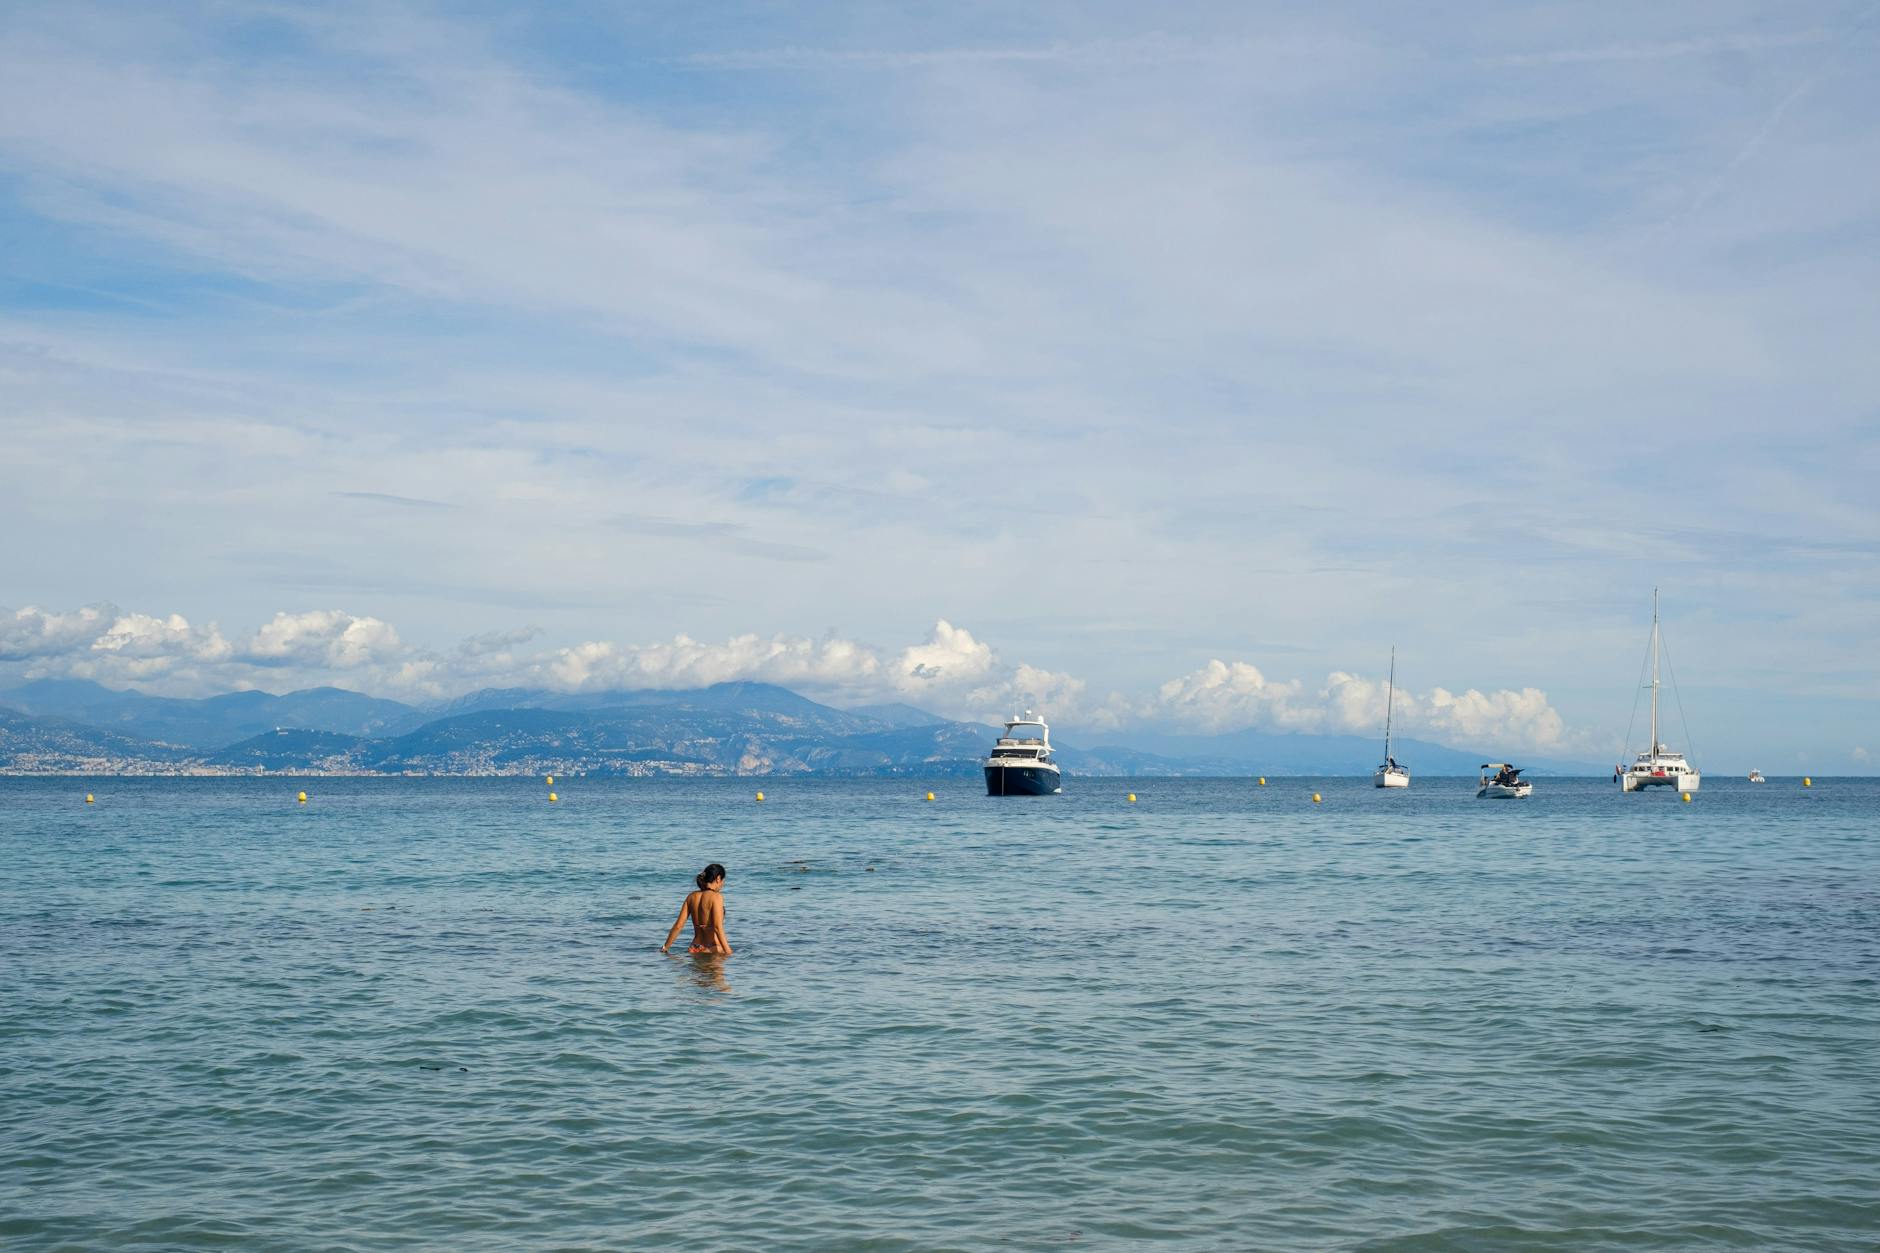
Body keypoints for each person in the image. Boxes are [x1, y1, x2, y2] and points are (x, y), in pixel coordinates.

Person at [662, 863, 732, 956]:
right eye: (723, 881)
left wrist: (665, 948)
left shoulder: (691, 897)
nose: (722, 884)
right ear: (718, 879)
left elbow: (678, 926)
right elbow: (717, 927)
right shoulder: (716, 897)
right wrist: (728, 952)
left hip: (694, 947)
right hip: (713, 947)